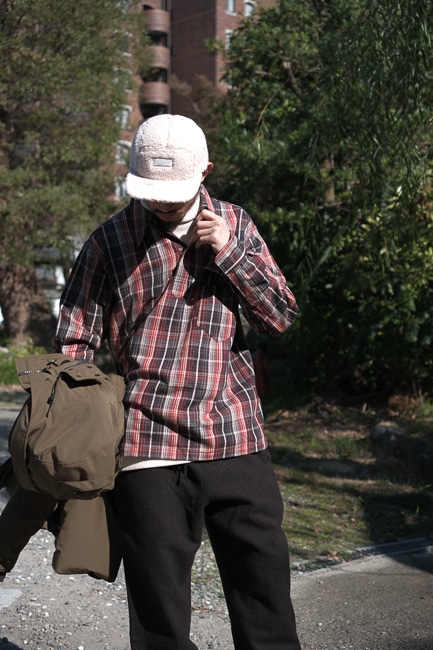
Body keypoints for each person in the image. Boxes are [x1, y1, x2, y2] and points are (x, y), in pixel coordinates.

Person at [53, 114, 302, 650]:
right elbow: (73, 341)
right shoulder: (109, 241)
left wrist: (231, 253)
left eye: (171, 192)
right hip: (147, 445)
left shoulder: (236, 223)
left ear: (205, 171)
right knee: (159, 620)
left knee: (266, 602)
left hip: (234, 435)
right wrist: (78, 425)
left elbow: (280, 317)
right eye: (150, 191)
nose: (160, 203)